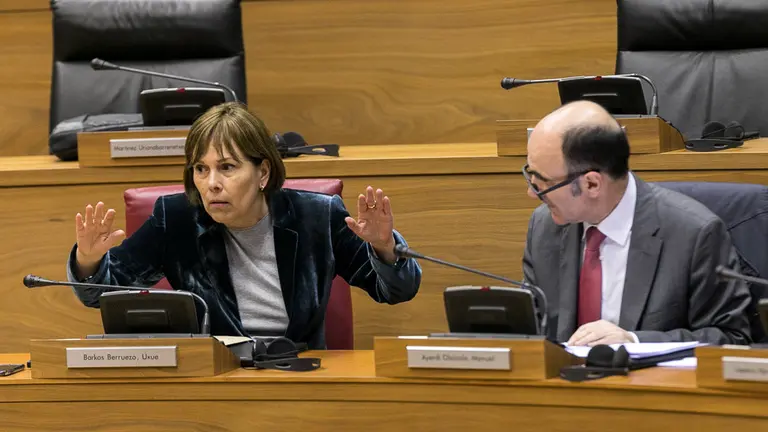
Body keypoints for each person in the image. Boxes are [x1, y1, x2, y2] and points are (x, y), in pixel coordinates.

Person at [67, 102, 422, 349]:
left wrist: (384, 248)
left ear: (262, 172)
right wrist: (88, 260)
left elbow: (397, 291)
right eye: (201, 169)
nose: (211, 184)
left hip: (297, 374)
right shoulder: (175, 219)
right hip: (215, 379)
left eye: (227, 167)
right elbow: (100, 295)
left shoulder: (317, 216)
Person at [521, 100, 752, 346]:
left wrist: (634, 341)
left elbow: (731, 338)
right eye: (530, 176)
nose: (532, 193)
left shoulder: (695, 235)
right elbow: (530, 326)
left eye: (542, 183)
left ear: (592, 184)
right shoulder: (544, 227)